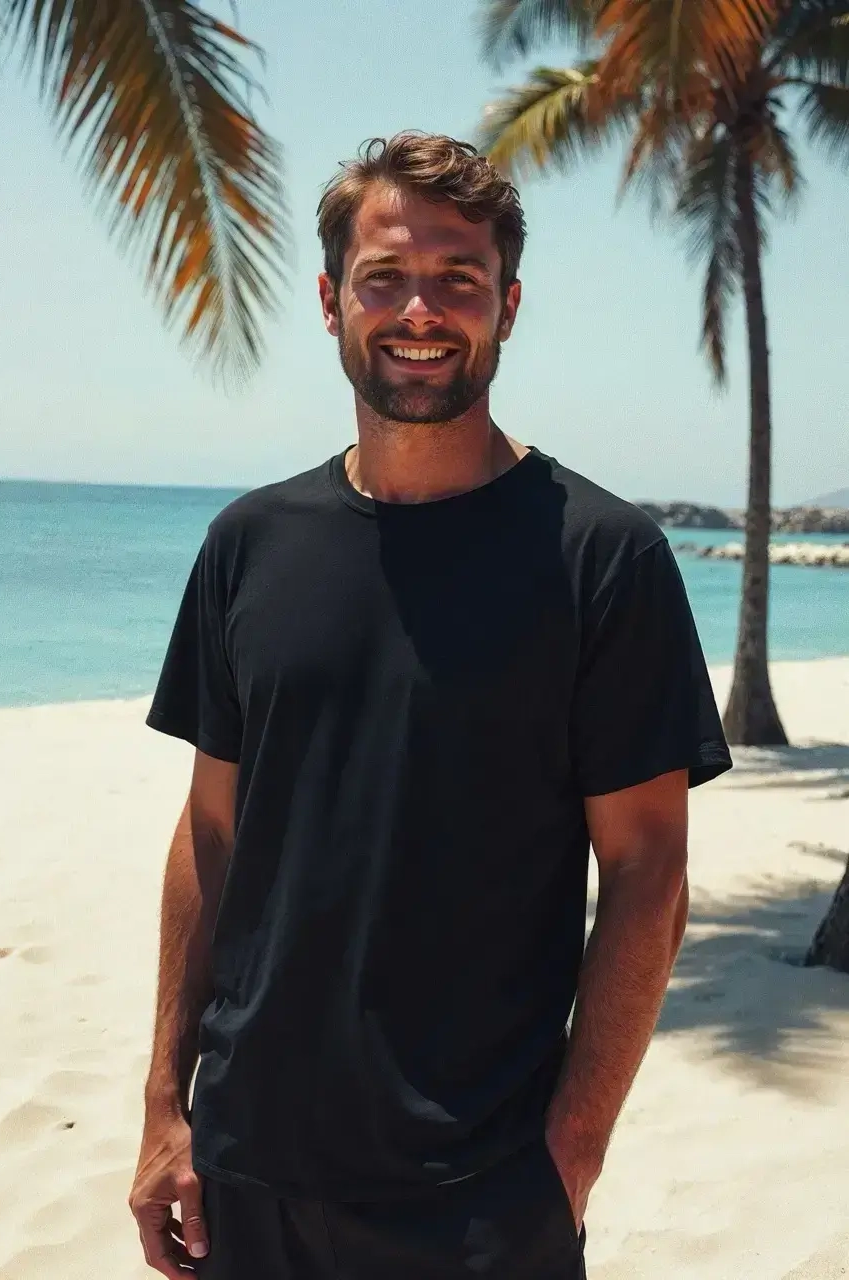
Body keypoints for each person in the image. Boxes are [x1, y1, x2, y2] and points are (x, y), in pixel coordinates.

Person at [129, 131, 733, 1280]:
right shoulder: (249, 544)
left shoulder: (603, 558)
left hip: (479, 1195)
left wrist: (569, 1155)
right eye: (385, 277)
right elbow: (212, 829)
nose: (421, 310)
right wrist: (166, 1104)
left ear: (508, 304)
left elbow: (649, 873)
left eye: (459, 277)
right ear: (330, 301)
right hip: (246, 1172)